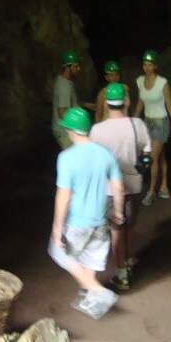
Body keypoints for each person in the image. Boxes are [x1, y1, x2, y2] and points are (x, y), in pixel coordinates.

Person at [49, 106, 125, 319]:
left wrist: (57, 228)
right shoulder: (105, 154)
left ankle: (98, 292)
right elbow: (118, 187)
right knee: (90, 260)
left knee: (58, 253)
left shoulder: (66, 157)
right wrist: (118, 212)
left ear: (71, 131)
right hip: (100, 220)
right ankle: (91, 299)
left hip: (77, 221)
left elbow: (63, 195)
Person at [89, 83, 151, 291]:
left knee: (116, 228)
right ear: (126, 101)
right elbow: (147, 155)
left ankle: (122, 271)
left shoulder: (97, 130)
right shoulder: (137, 125)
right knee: (128, 224)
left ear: (106, 103)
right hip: (133, 185)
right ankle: (128, 258)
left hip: (108, 189)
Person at [133, 49, 171, 204]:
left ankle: (151, 192)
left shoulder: (162, 83)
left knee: (151, 158)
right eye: (145, 64)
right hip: (147, 121)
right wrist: (133, 120)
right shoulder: (140, 81)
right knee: (160, 156)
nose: (147, 68)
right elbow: (140, 103)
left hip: (161, 122)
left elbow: (170, 105)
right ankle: (164, 186)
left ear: (155, 66)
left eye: (150, 65)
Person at [52, 50, 81, 149]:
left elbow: (70, 102)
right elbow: (62, 113)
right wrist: (81, 123)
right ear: (68, 68)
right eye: (76, 66)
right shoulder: (64, 86)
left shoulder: (65, 81)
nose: (79, 68)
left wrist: (85, 104)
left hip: (64, 129)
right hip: (64, 131)